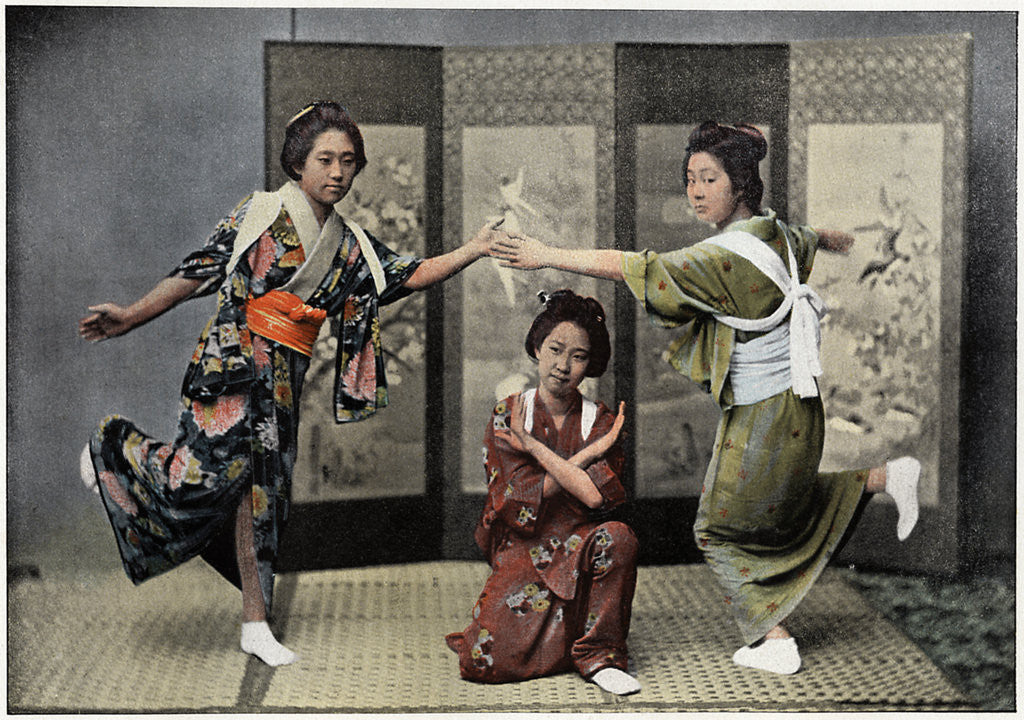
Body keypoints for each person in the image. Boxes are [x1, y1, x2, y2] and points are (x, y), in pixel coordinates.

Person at [78, 101, 511, 667]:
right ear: (298, 162)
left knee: (263, 498)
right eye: (325, 159)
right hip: (231, 368)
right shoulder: (260, 213)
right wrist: (132, 315)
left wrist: (474, 249)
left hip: (282, 381)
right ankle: (114, 447)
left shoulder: (349, 243)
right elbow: (198, 271)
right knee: (201, 480)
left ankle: (255, 621)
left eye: (348, 161)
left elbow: (406, 274)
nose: (337, 172)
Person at [492, 121, 921, 675]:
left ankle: (773, 639)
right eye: (690, 179)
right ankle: (887, 477)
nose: (695, 191)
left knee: (715, 529)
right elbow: (810, 237)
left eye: (709, 179)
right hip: (801, 406)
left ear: (740, 181)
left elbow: (633, 266)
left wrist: (545, 253)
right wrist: (838, 238)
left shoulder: (721, 259)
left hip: (764, 413)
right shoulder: (777, 235)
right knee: (781, 500)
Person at [446, 289, 641, 695]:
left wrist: (535, 447)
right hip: (523, 544)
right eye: (555, 349)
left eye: (579, 356)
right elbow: (515, 496)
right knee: (483, 660)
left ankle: (598, 654)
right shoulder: (509, 413)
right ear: (537, 347)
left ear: (591, 364)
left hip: (580, 543)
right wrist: (587, 458)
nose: (563, 365)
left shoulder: (599, 420)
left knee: (619, 537)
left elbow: (592, 498)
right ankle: (561, 646)